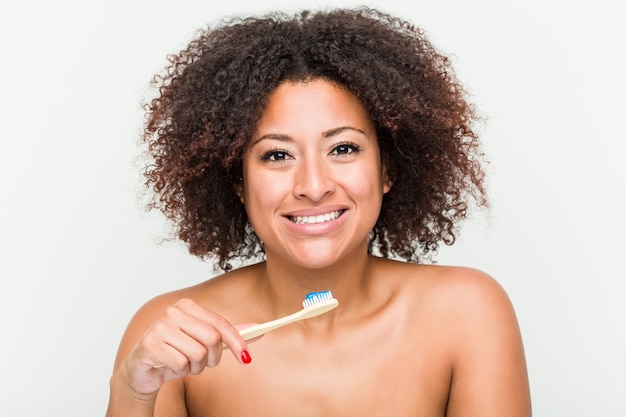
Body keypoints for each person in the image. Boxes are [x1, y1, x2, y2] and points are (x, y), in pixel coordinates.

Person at [106, 7, 531, 417]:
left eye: (343, 148)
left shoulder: (466, 313)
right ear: (238, 182)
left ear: (388, 169)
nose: (313, 185)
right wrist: (132, 392)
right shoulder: (171, 340)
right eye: (276, 155)